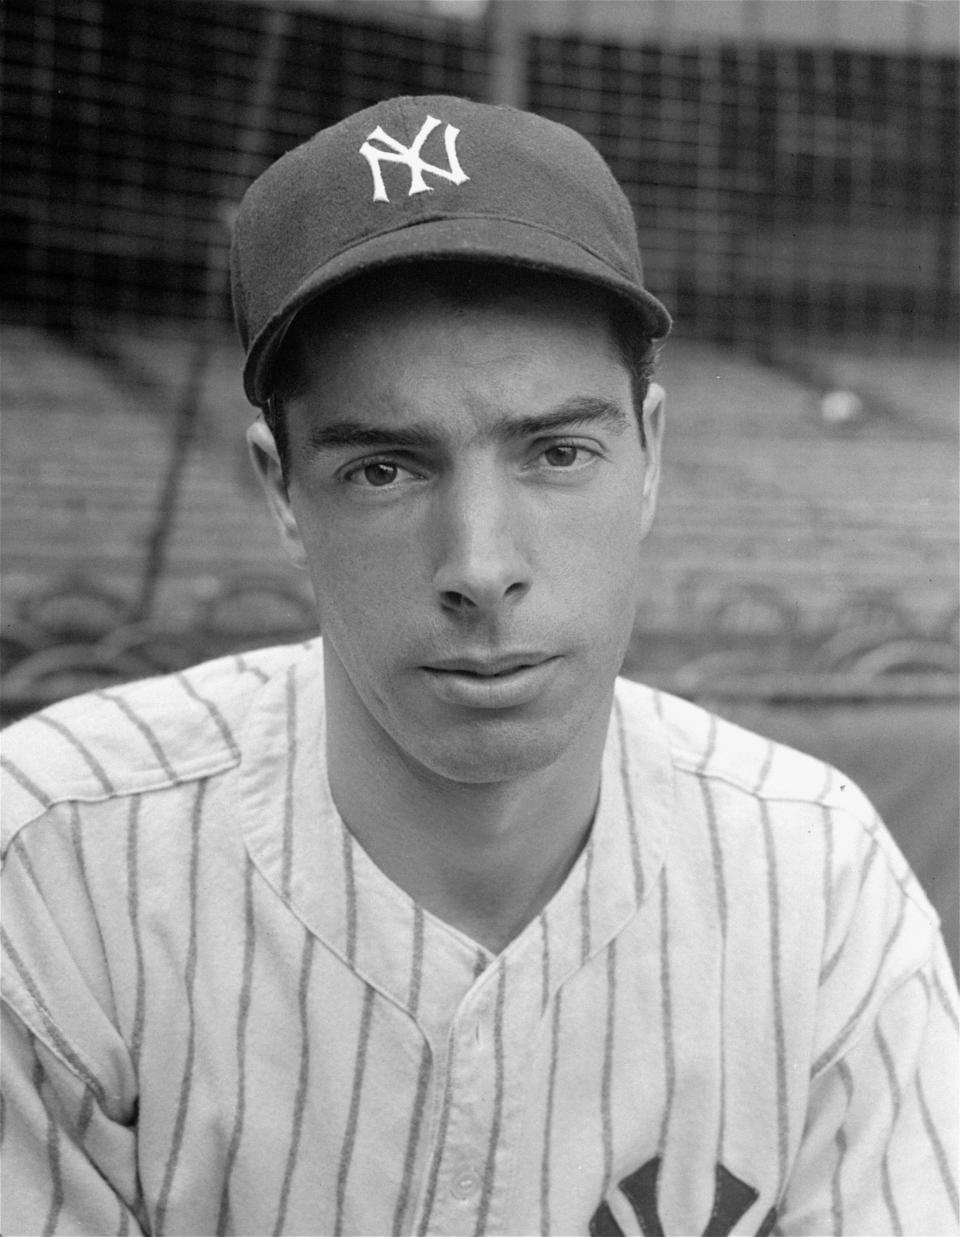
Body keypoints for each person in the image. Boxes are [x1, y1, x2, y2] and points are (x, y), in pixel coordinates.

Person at [1, 95, 956, 1237]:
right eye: (385, 470)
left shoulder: (823, 883)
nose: (481, 565)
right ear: (280, 489)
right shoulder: (50, 868)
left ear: (649, 455)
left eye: (557, 451)